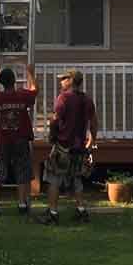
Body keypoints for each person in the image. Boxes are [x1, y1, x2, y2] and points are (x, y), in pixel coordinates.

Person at [41, 68, 98, 225]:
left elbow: (55, 120)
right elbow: (94, 122)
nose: (61, 81)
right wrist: (92, 140)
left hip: (63, 146)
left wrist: (52, 136)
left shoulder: (63, 98)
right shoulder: (87, 99)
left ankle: (52, 214)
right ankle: (81, 211)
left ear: (71, 81)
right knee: (76, 179)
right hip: (79, 147)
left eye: (64, 78)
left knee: (54, 179)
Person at [0, 63, 39, 216]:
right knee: (22, 170)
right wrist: (30, 73)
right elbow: (35, 90)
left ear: (1, 83)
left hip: (3, 140)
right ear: (14, 81)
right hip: (20, 139)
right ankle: (22, 204)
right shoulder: (21, 95)